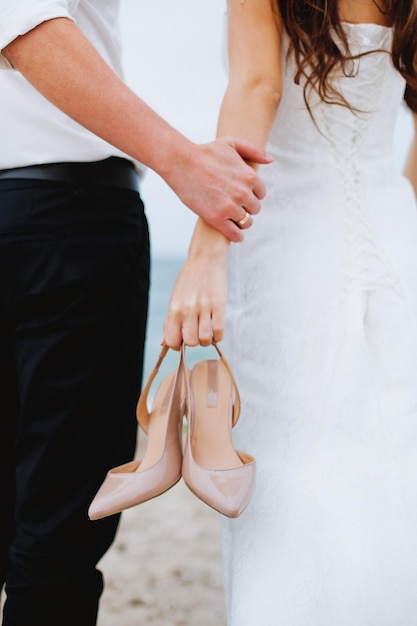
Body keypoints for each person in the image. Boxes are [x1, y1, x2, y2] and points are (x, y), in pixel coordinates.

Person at [0, 2, 273, 625]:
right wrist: (181, 160)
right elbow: (22, 21)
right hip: (62, 216)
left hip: (52, 218)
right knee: (58, 534)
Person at [164, 0, 417, 623]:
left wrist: (206, 249)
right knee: (391, 464)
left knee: (290, 468)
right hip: (396, 234)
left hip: (289, 245)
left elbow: (257, 86)